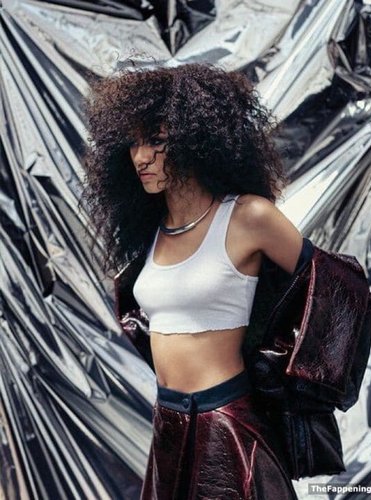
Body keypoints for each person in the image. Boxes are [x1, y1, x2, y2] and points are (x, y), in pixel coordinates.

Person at [81, 62, 302, 499]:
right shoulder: (155, 230)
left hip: (225, 425)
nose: (141, 157)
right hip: (168, 424)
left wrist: (286, 372)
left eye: (156, 140)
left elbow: (333, 290)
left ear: (195, 139)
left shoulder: (248, 216)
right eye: (134, 143)